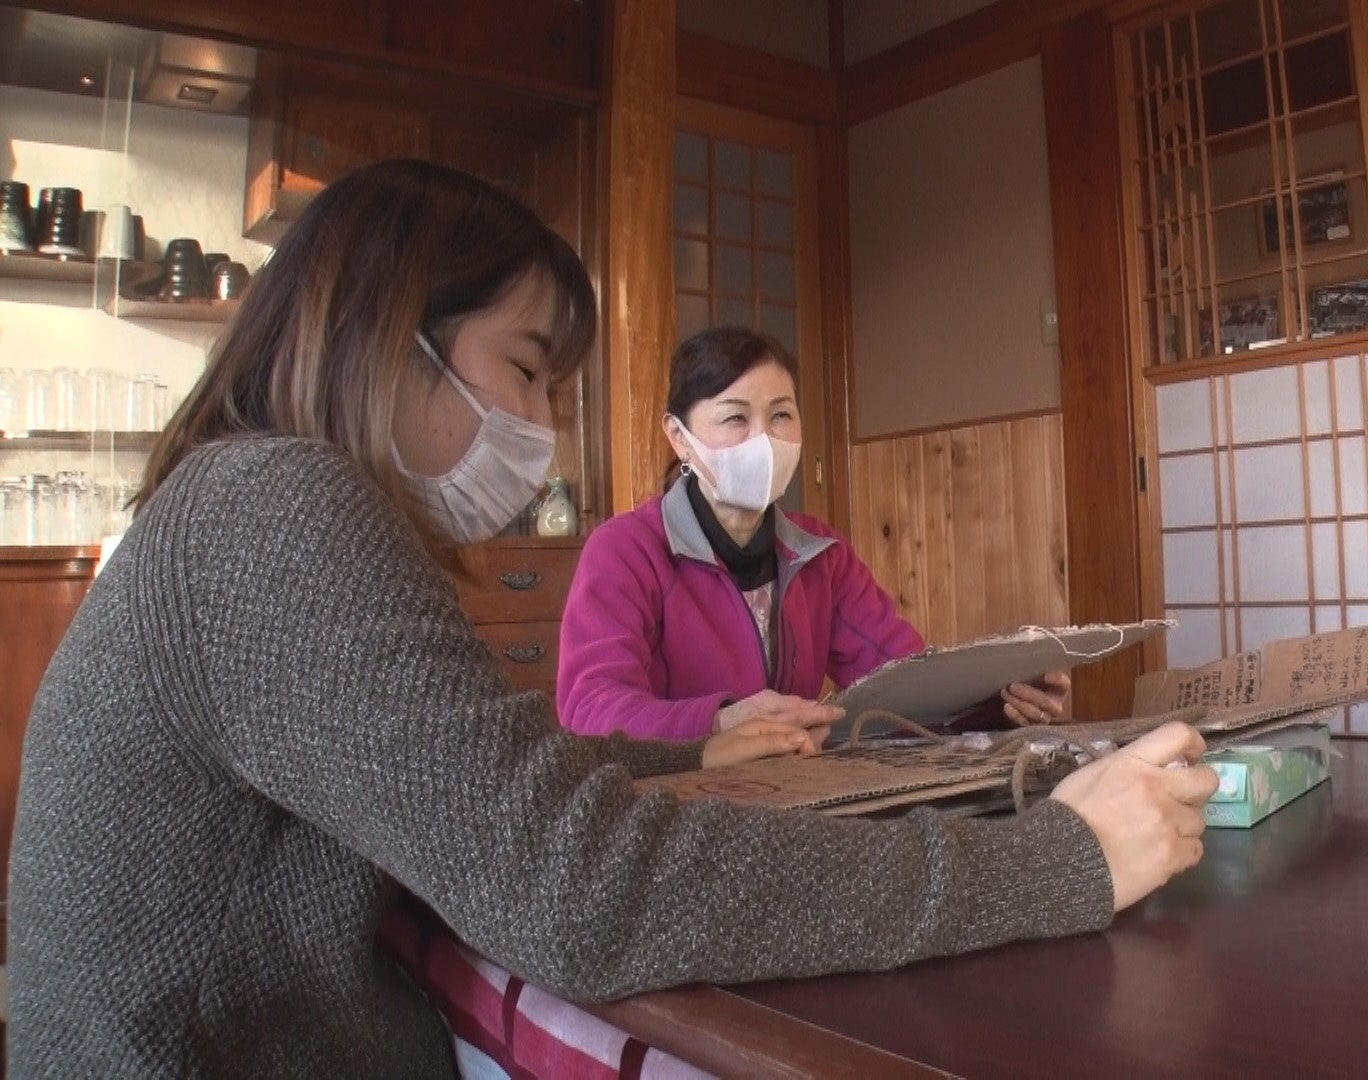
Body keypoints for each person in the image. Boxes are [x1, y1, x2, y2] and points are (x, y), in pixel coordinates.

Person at [6, 159, 1218, 1077]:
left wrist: (688, 754)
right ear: (389, 332)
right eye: (527, 369)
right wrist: (1054, 861)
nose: (540, 425)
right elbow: (575, 888)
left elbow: (478, 773)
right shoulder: (275, 507)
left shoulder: (241, 501)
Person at [555, 326, 1071, 744]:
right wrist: (720, 723)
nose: (763, 438)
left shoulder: (820, 553)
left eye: (781, 414)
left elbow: (903, 683)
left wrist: (998, 702)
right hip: (673, 810)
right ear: (678, 436)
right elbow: (589, 709)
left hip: (791, 799)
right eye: (735, 417)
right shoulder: (626, 550)